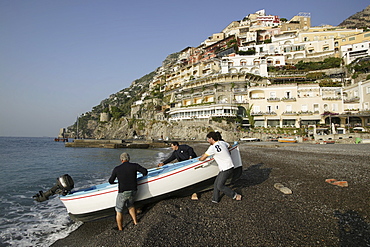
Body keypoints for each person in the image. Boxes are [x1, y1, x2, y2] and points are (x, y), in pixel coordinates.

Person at [199, 131, 242, 203]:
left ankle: (235, 195)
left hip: (226, 168)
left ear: (211, 139)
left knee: (220, 186)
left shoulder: (212, 147)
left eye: (208, 139)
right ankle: (215, 199)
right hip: (226, 167)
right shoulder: (222, 143)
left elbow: (203, 158)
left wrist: (199, 159)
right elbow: (230, 146)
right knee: (216, 183)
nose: (207, 141)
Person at [109, 152, 148, 231]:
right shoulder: (134, 166)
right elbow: (145, 171)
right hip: (133, 190)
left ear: (121, 160)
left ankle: (120, 228)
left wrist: (117, 182)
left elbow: (110, 181)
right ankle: (135, 222)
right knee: (130, 205)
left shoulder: (117, 169)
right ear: (128, 159)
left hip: (123, 192)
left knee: (119, 210)